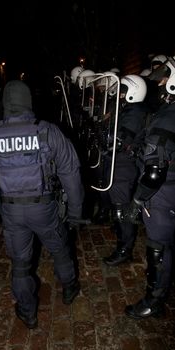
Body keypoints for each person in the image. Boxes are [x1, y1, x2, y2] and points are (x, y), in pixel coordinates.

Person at [0, 80, 84, 329]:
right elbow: (71, 174)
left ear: (6, 103)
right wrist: (75, 213)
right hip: (44, 208)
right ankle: (69, 288)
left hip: (11, 211)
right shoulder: (47, 131)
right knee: (60, 249)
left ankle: (28, 312)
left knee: (20, 264)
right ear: (29, 101)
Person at [124, 56, 175, 319]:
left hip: (162, 194)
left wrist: (138, 201)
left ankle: (153, 302)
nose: (160, 85)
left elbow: (155, 172)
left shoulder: (166, 118)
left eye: (164, 80)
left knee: (158, 249)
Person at [102, 74, 148, 266]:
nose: (119, 93)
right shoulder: (124, 109)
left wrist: (104, 135)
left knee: (122, 210)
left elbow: (120, 140)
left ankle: (124, 249)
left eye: (123, 90)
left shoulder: (134, 112)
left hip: (123, 164)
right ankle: (121, 235)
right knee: (115, 205)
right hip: (115, 162)